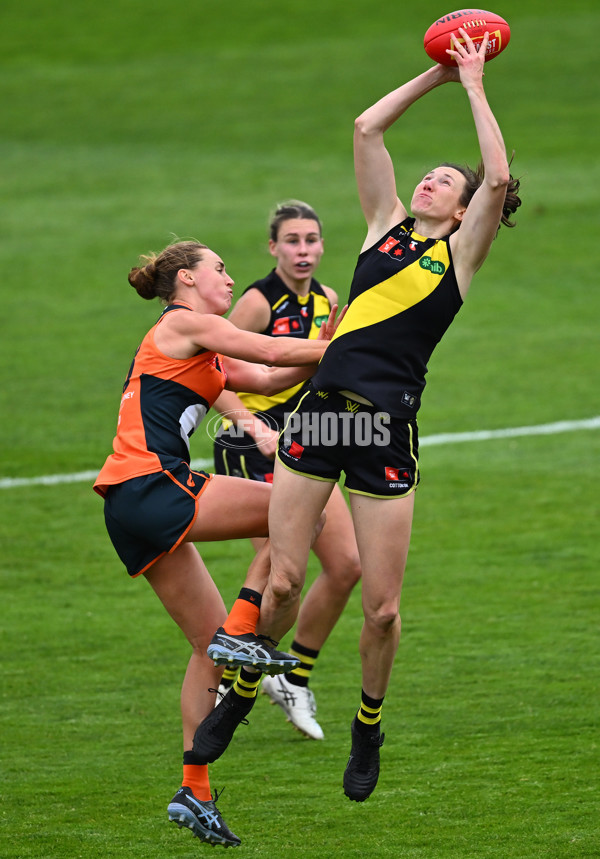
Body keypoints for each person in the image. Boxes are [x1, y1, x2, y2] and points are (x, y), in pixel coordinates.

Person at [195, 29, 522, 802]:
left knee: (380, 607)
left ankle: (367, 723)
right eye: (432, 176)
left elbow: (499, 176)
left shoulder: (459, 258)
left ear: (465, 207)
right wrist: (435, 77)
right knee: (278, 583)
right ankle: (240, 699)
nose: (431, 182)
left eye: (446, 181)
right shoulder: (383, 228)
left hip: (383, 434)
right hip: (321, 419)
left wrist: (475, 85)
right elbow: (366, 128)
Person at [93, 239, 342, 847]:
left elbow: (269, 374)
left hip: (128, 506)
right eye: (219, 270)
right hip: (155, 485)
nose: (230, 280)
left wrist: (335, 344)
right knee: (298, 512)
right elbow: (268, 346)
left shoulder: (198, 343)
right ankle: (244, 631)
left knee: (208, 649)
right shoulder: (186, 324)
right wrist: (356, 345)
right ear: (185, 281)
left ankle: (194, 789)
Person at [210, 201, 361, 741]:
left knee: (347, 565)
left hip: (304, 440)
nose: (303, 250)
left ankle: (294, 675)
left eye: (312, 240)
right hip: (249, 442)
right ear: (273, 247)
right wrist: (253, 427)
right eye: (292, 240)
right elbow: (212, 371)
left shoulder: (327, 300)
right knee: (281, 578)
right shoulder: (255, 302)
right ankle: (239, 677)